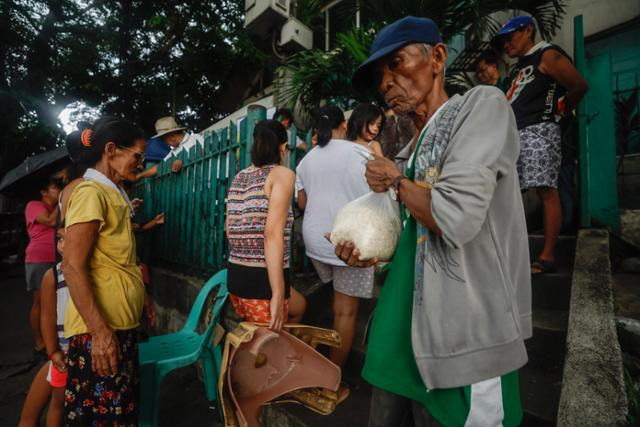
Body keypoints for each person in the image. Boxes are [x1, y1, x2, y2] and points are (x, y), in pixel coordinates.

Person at [336, 16, 531, 426]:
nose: (387, 81)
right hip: (400, 333)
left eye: (396, 63)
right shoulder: (409, 149)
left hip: (466, 332)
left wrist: (396, 180)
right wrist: (370, 252)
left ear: (437, 57)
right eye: (380, 75)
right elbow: (413, 238)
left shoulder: (481, 106)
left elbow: (455, 217)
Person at [61, 117, 147, 425]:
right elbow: (71, 264)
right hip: (99, 331)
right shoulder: (91, 193)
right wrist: (100, 333)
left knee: (119, 415)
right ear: (111, 150)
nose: (141, 163)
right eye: (137, 155)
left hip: (115, 327)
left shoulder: (112, 193)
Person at [495, 15, 588, 275]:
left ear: (527, 31)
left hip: (539, 130)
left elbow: (579, 85)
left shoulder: (547, 55)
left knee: (546, 189)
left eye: (510, 37)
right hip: (514, 132)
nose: (506, 45)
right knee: (507, 191)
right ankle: (507, 252)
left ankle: (547, 256)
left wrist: (560, 111)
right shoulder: (517, 67)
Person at [296, 105, 374, 371]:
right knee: (345, 311)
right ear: (344, 126)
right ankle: (333, 376)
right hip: (345, 243)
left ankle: (324, 361)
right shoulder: (360, 153)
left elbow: (303, 202)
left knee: (337, 296)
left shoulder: (305, 160)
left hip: (315, 241)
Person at [226, 119, 306, 331]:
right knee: (266, 352)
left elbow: (229, 230)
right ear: (282, 147)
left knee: (299, 306)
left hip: (235, 278)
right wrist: (278, 294)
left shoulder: (239, 177)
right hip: (261, 284)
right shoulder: (282, 174)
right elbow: (272, 235)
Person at [19, 225, 69, 427]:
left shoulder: (92, 274)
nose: (62, 245)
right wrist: (52, 351)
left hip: (81, 353)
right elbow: (47, 317)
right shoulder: (54, 276)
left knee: (65, 405)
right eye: (59, 239)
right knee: (58, 402)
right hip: (62, 355)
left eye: (67, 239)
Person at [24, 175, 62, 354]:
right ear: (43, 192)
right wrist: (63, 199)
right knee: (40, 301)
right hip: (39, 258)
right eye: (56, 188)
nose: (60, 192)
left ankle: (52, 337)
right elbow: (49, 221)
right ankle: (39, 341)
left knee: (54, 300)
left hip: (56, 257)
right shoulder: (34, 206)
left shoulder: (56, 208)